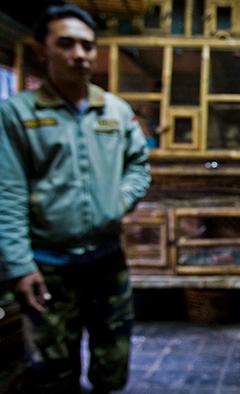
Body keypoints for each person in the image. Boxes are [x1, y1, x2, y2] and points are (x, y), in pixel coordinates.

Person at [0, 4, 151, 393]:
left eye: (87, 45)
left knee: (112, 366)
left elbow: (139, 166)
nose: (79, 54)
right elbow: (8, 193)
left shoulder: (114, 111)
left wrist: (118, 201)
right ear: (42, 50)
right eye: (65, 44)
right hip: (47, 266)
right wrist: (19, 265)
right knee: (53, 373)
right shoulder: (17, 115)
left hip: (106, 261)